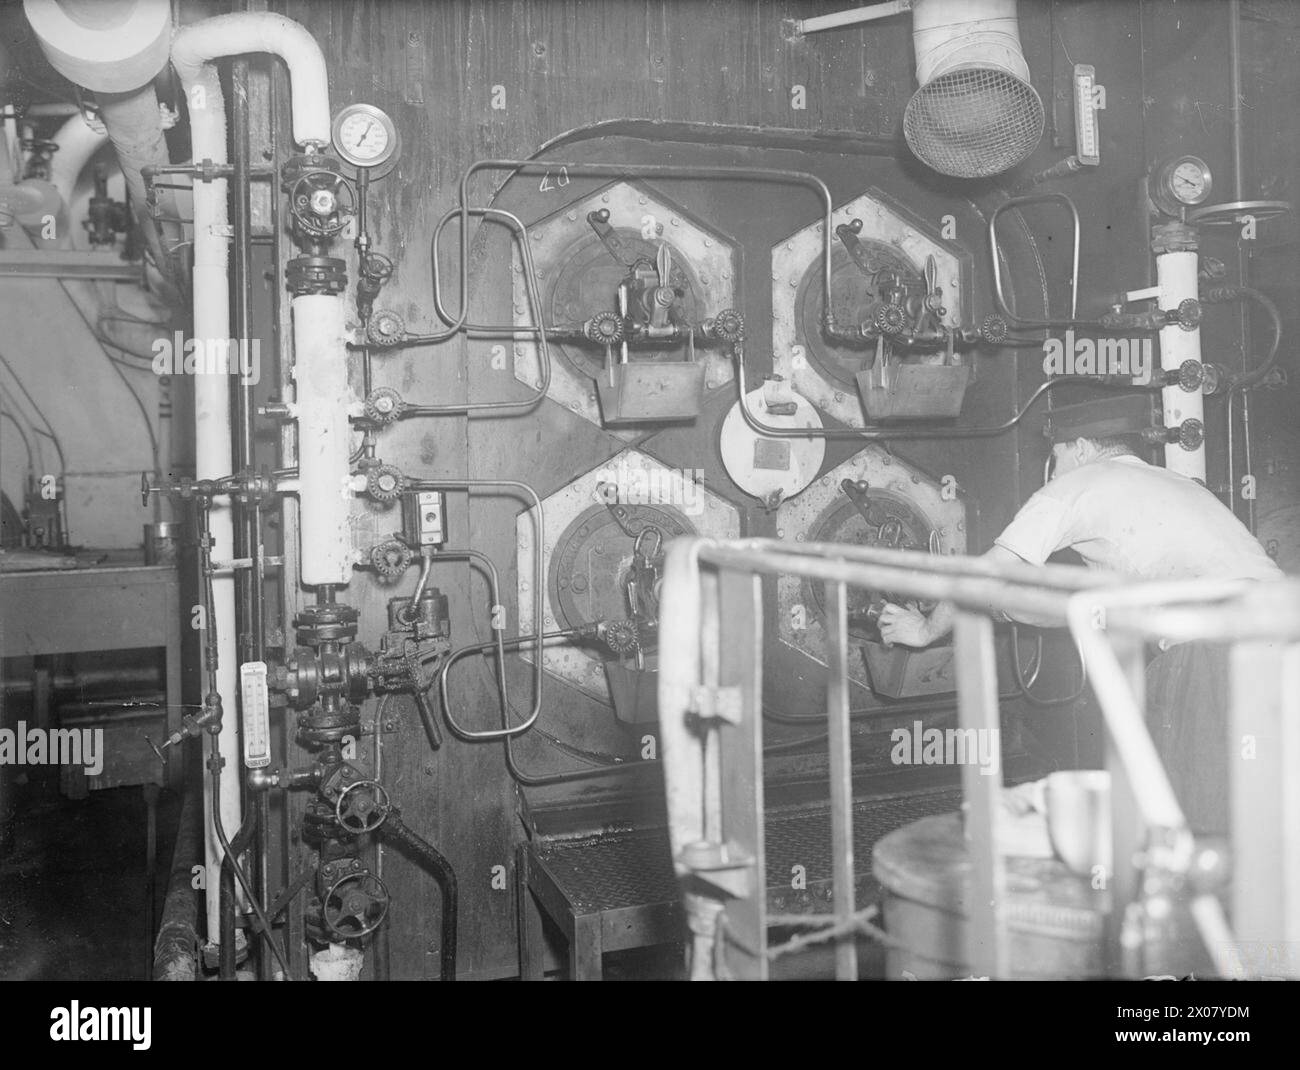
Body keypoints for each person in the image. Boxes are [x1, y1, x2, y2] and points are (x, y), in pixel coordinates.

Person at [877, 398, 1282, 834]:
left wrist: (924, 629)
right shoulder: (1172, 486)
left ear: (1083, 448)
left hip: (1215, 649)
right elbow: (1087, 611)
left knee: (1190, 814)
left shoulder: (1079, 484)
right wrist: (1004, 609)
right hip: (1280, 637)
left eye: (1056, 456)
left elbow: (984, 574)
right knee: (1268, 806)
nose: (1050, 471)